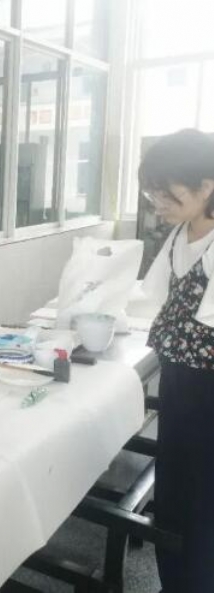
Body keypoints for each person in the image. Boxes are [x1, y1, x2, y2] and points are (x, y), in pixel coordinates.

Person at [139, 128, 214, 593]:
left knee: (204, 504)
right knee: (173, 495)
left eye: (167, 194)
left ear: (206, 186)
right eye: (152, 194)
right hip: (179, 382)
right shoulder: (179, 235)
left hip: (209, 392)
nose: (158, 204)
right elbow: (151, 297)